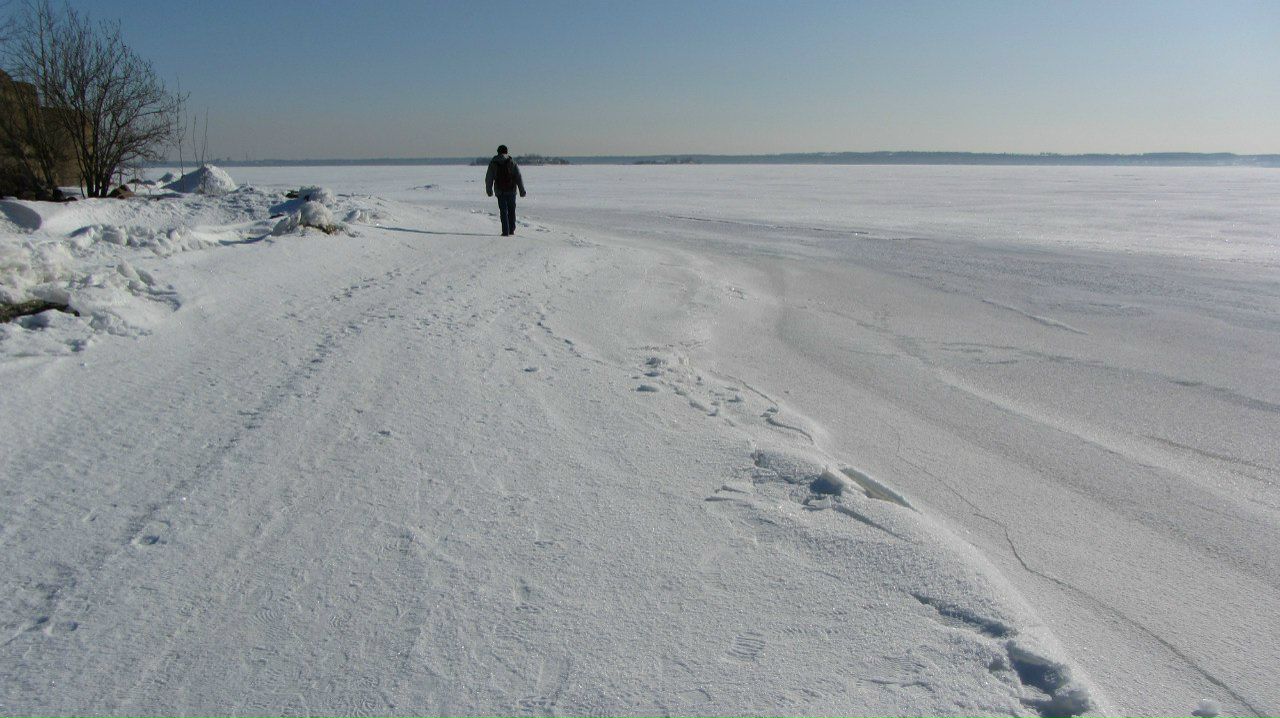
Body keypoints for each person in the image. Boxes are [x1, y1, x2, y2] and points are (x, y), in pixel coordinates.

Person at [485, 145, 526, 236]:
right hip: (511, 190)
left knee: (503, 211)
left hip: (500, 191)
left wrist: (489, 190)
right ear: (506, 152)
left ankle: (505, 231)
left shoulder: (493, 162)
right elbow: (518, 177)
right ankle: (511, 229)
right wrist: (522, 190)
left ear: (498, 152)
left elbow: (489, 178)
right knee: (511, 210)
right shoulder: (512, 162)